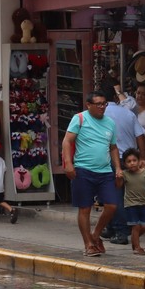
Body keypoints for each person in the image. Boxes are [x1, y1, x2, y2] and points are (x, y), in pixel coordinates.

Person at [62, 92, 122, 257]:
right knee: (85, 208)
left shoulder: (110, 123)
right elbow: (67, 141)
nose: (102, 107)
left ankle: (95, 235)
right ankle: (88, 244)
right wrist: (68, 163)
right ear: (89, 105)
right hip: (83, 169)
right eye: (98, 104)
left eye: (104, 104)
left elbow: (113, 147)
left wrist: (118, 168)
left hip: (105, 171)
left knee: (112, 205)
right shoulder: (80, 119)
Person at [103, 88, 145, 245]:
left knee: (114, 196)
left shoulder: (100, 115)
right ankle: (111, 227)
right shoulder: (128, 113)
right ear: (116, 98)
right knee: (121, 196)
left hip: (111, 160)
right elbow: (140, 136)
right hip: (129, 160)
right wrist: (142, 158)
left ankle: (121, 232)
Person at [120, 148, 145, 255]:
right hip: (130, 205)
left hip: (143, 203)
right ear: (125, 164)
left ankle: (134, 240)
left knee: (144, 226)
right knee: (136, 226)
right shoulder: (125, 174)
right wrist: (118, 178)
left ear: (139, 161)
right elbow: (118, 185)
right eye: (129, 161)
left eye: (134, 160)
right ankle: (137, 247)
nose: (132, 163)